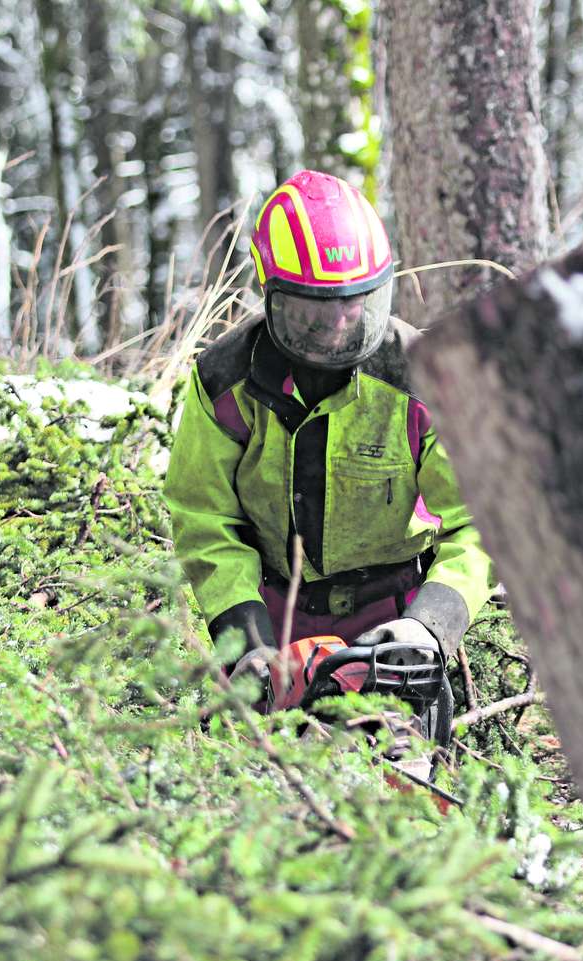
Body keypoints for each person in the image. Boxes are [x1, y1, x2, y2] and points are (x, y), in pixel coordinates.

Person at [163, 168, 494, 711]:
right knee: (267, 775)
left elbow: (478, 519)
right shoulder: (225, 382)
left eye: (354, 304)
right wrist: (246, 639)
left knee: (399, 773)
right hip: (273, 613)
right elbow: (204, 519)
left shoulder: (425, 381)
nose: (338, 323)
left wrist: (431, 625)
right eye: (315, 310)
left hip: (393, 616)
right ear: (274, 295)